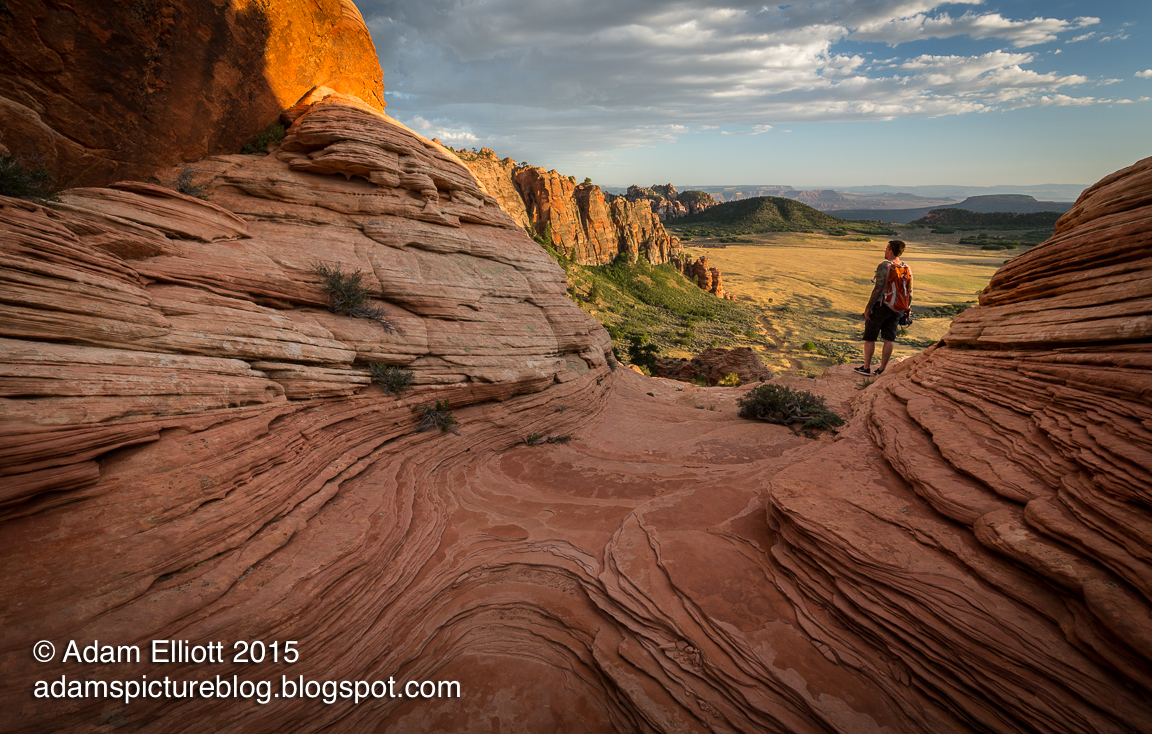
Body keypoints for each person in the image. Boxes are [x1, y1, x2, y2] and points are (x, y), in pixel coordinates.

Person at [854, 240, 912, 376]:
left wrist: (868, 307)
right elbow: (909, 290)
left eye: (886, 249)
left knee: (870, 337)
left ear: (891, 251)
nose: (885, 251)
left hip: (881, 306)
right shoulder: (906, 267)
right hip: (897, 307)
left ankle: (866, 367)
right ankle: (882, 369)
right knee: (889, 338)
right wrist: (907, 308)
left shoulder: (885, 265)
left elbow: (878, 289)